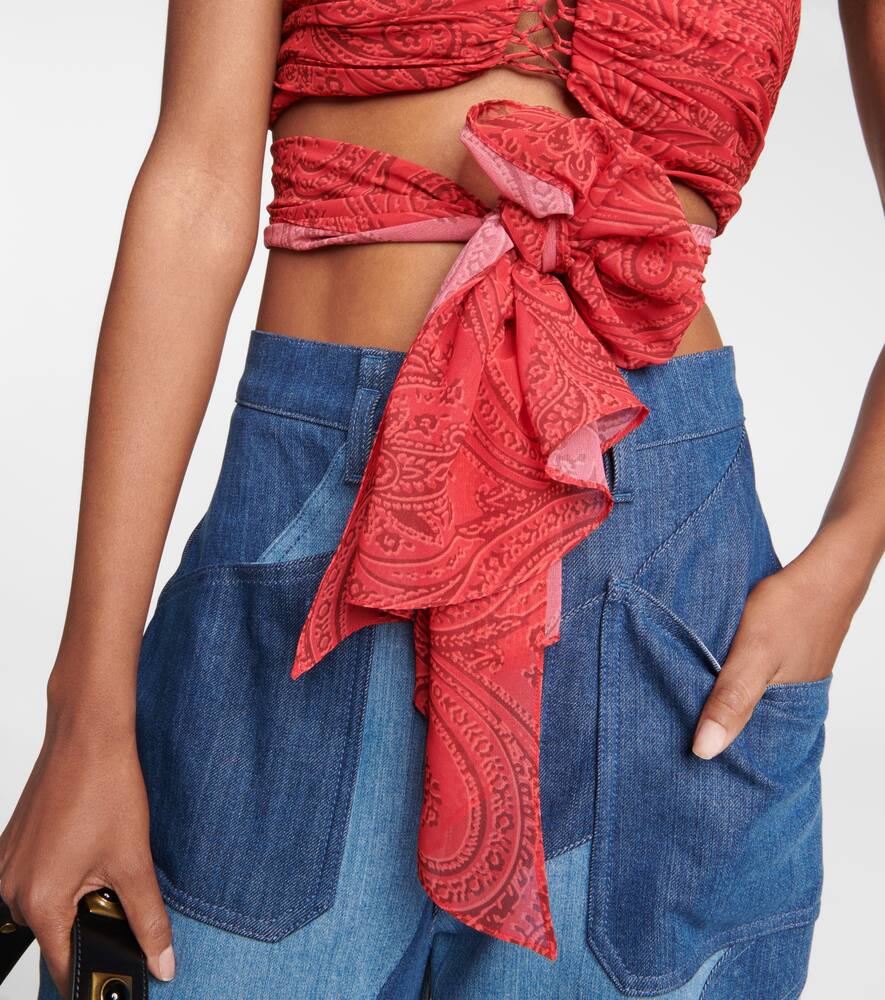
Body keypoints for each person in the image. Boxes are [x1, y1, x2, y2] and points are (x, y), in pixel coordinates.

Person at [1, 1, 883, 997]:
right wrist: (83, 711)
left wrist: (845, 562)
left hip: (664, 574)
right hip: (314, 517)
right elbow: (198, 182)